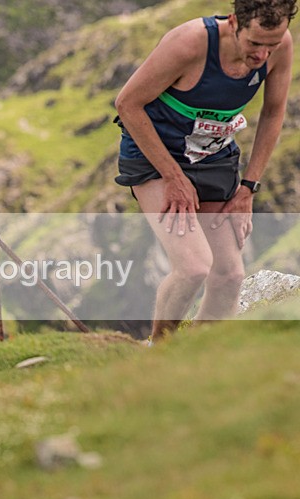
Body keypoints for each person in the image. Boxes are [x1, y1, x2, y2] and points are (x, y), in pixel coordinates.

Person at [114, 0, 296, 341]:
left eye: (271, 45)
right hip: (156, 156)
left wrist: (248, 188)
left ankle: (198, 358)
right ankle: (159, 355)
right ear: (233, 23)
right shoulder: (190, 42)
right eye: (255, 43)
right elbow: (127, 103)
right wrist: (172, 176)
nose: (262, 56)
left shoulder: (279, 46)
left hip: (214, 158)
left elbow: (272, 113)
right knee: (194, 267)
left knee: (229, 276)